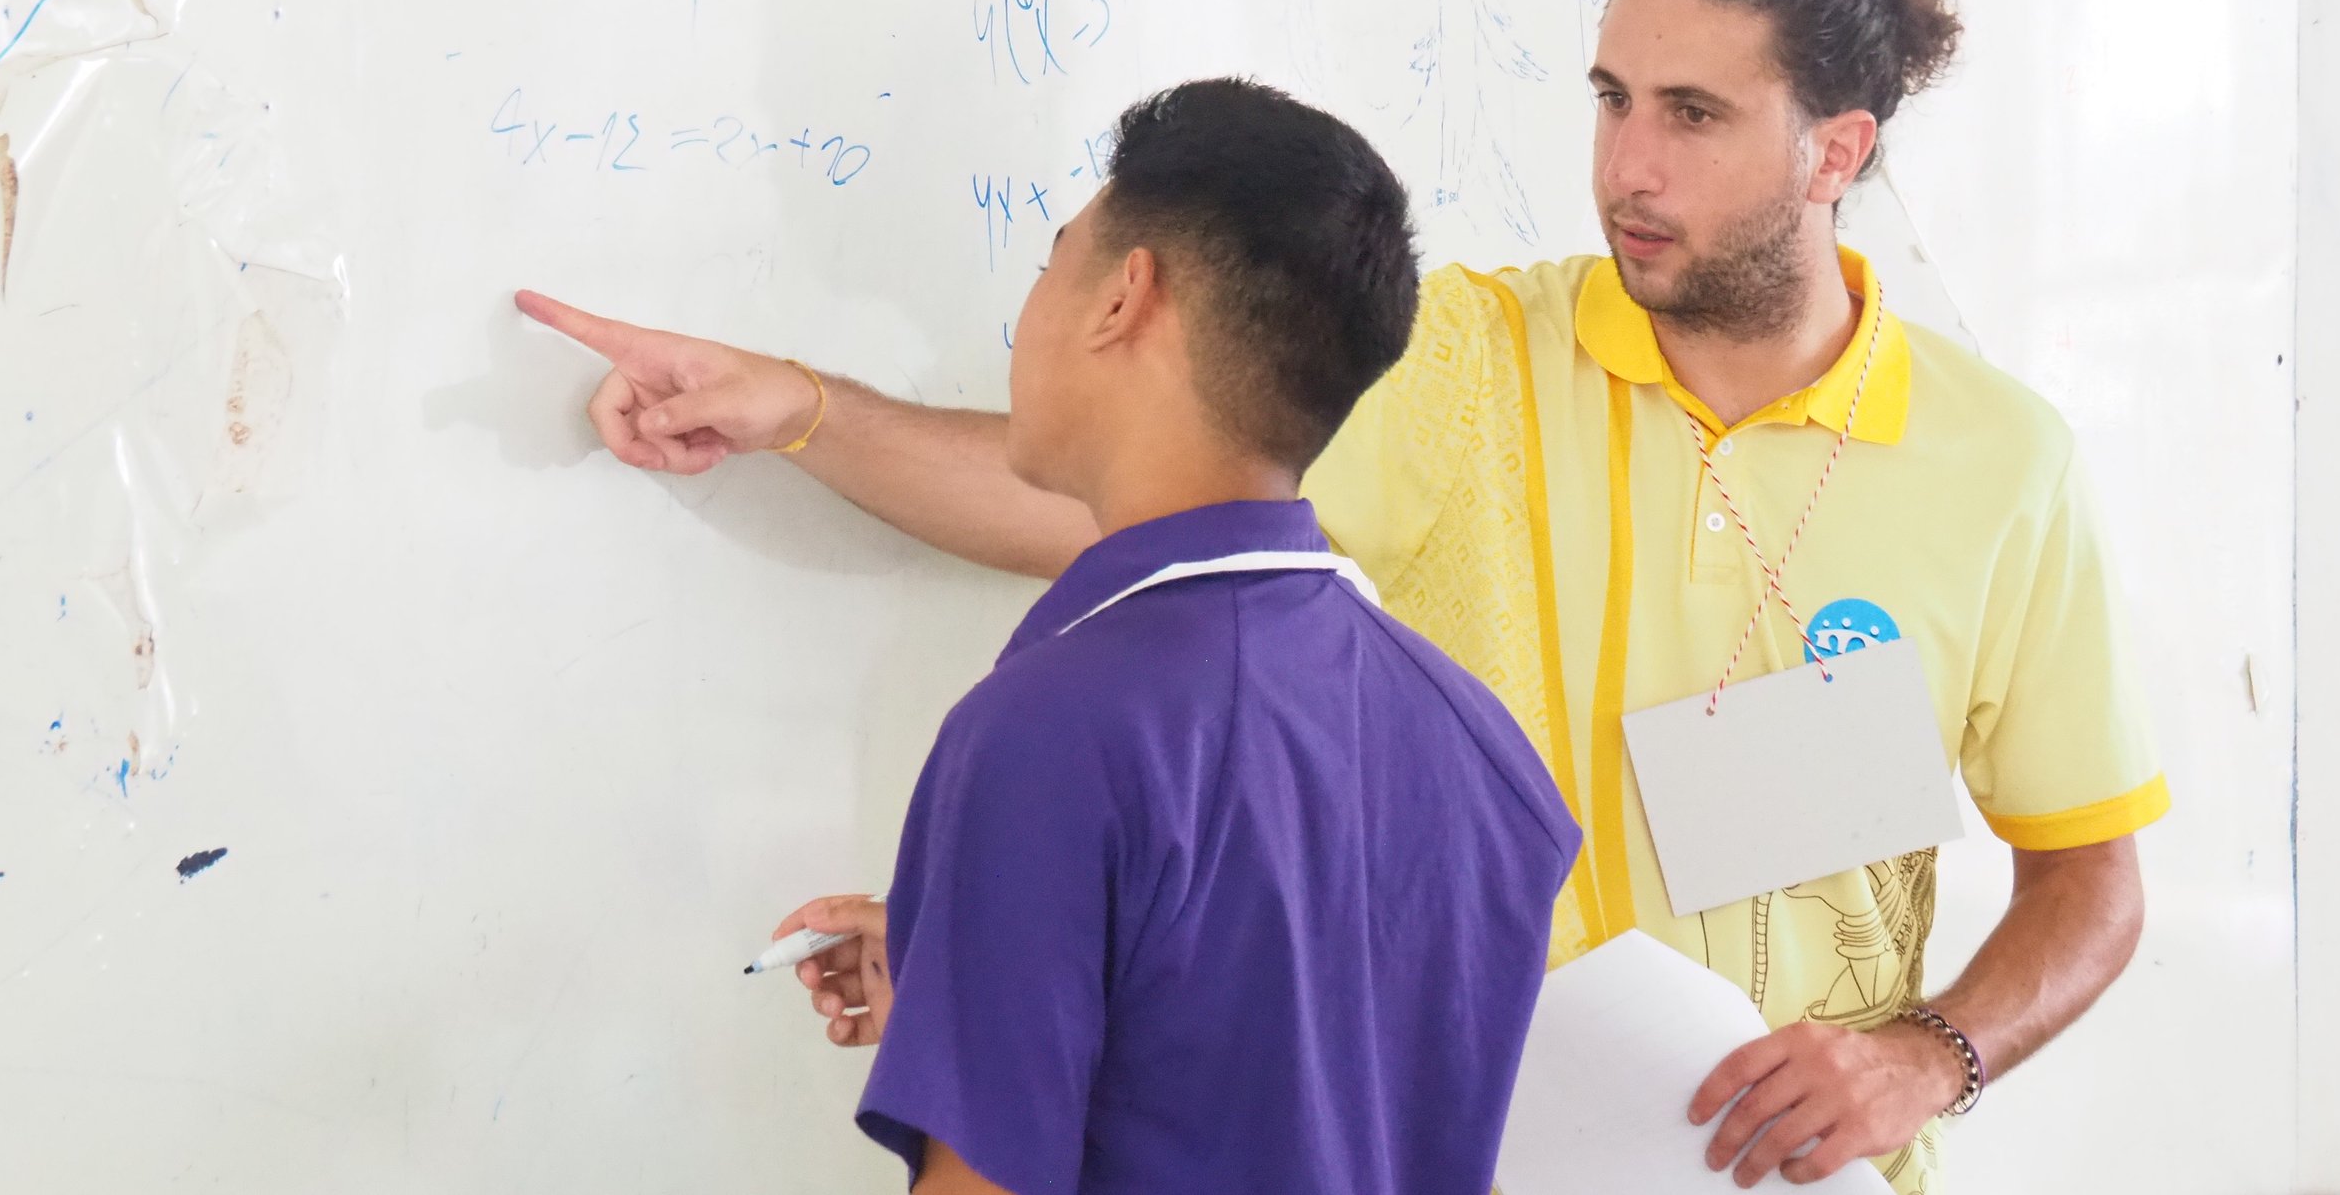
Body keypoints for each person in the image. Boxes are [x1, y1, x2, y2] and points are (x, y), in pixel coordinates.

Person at [522, 0, 2168, 1192]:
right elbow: (1116, 491)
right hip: (1479, 1155)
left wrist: (1922, 1059)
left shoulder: (1999, 462)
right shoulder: (1470, 357)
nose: (1625, 166)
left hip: (1808, 1178)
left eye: (1691, 112)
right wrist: (795, 407)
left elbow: (2090, 878)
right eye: (1608, 98)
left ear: (1838, 151)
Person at [521, 78, 1579, 1195]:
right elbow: (1312, 1070)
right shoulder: (1478, 741)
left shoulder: (1052, 732)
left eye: (1046, 263)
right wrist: (982, 959)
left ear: (1125, 297)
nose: (1024, 313)